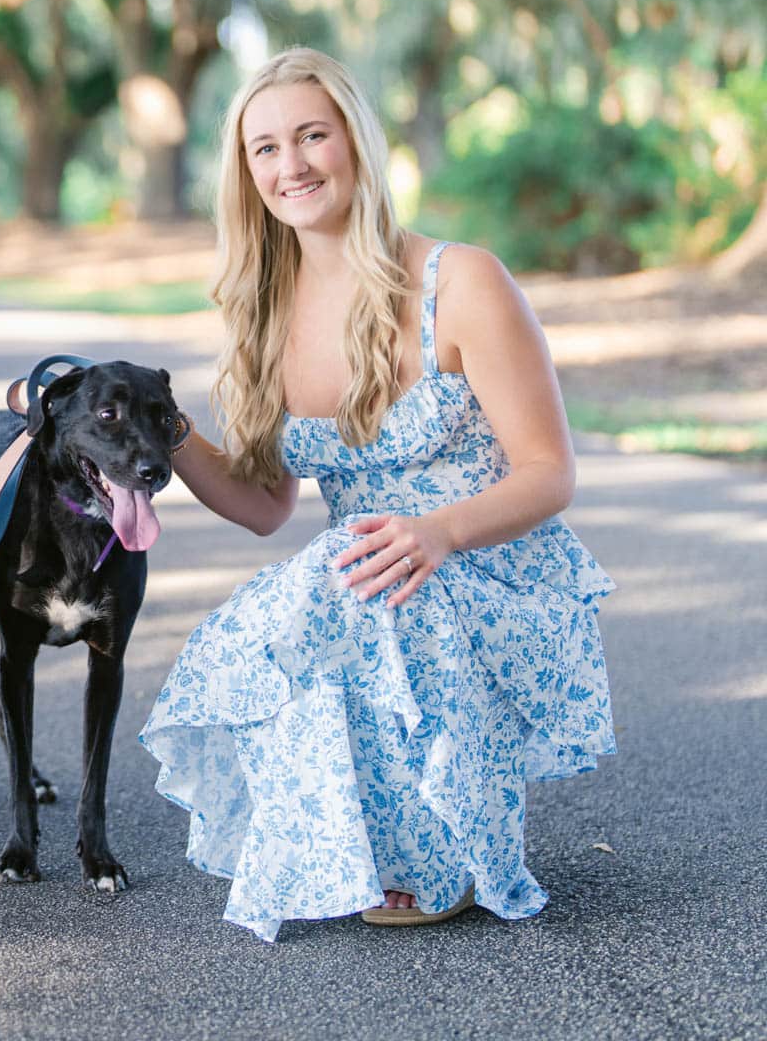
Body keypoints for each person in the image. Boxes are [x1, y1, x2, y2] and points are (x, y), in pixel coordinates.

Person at [138, 47, 615, 942]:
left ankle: (442, 848)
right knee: (296, 610)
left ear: (357, 142)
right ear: (246, 174)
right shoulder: (264, 312)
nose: (292, 166)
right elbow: (265, 504)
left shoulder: (462, 281)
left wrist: (438, 532)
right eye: (266, 149)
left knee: (389, 586)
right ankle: (361, 836)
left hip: (493, 563)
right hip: (373, 570)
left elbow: (551, 472)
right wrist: (154, 425)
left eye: (313, 136)